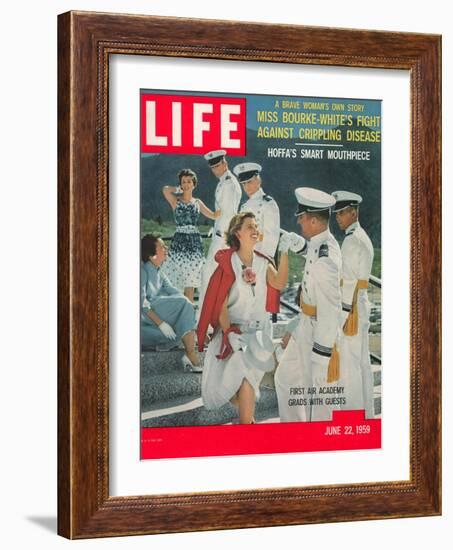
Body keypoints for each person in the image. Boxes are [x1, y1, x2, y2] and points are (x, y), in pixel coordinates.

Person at [197, 212, 289, 424]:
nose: (256, 229)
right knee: (231, 384)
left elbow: (279, 283)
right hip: (232, 332)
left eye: (257, 226)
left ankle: (247, 425)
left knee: (246, 380)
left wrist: (284, 252)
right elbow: (220, 303)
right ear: (237, 232)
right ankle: (248, 424)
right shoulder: (228, 262)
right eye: (250, 226)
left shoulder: (264, 262)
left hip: (258, 333)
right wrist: (229, 333)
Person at [275, 187, 342, 422]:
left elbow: (331, 311)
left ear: (314, 220)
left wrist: (322, 354)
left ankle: (317, 445)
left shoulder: (327, 259)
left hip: (316, 334)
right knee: (284, 378)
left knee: (317, 400)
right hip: (304, 324)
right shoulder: (318, 243)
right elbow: (311, 255)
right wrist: (298, 245)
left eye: (301, 219)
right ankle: (295, 435)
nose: (299, 224)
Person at [333, 190, 375, 418]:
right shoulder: (361, 236)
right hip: (361, 303)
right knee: (361, 363)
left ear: (353, 212)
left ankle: (352, 416)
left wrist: (342, 316)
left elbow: (348, 283)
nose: (337, 217)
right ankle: (365, 415)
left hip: (352, 309)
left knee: (349, 366)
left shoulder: (351, 241)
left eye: (342, 213)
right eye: (336, 213)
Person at [141, 234, 202, 372]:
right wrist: (161, 323)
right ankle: (191, 354)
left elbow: (174, 291)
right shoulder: (142, 271)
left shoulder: (159, 272)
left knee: (184, 305)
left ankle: (189, 350)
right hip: (145, 319)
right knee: (183, 303)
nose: (166, 248)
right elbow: (141, 303)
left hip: (154, 316)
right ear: (152, 255)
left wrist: (192, 312)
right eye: (162, 246)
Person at [162, 168, 220, 303]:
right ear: (180, 184)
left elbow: (213, 215)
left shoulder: (197, 203)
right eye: (184, 182)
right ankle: (178, 312)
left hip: (194, 244)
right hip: (179, 243)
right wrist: (178, 190)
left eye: (189, 181)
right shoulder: (175, 201)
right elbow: (165, 189)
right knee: (177, 279)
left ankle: (188, 312)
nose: (187, 184)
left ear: (194, 184)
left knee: (191, 281)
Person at [198, 150, 242, 313]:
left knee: (209, 276)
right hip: (220, 233)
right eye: (213, 167)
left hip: (223, 238)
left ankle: (205, 317)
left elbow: (229, 214)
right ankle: (208, 316)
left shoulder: (229, 184)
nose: (216, 169)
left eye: (218, 165)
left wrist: (222, 234)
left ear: (225, 163)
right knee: (212, 276)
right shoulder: (224, 181)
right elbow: (222, 213)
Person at [234, 162, 280, 258]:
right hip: (243, 256)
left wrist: (265, 260)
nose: (246, 186)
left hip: (260, 255)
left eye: (249, 182)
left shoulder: (268, 203)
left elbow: (271, 237)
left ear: (258, 181)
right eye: (243, 183)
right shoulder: (244, 206)